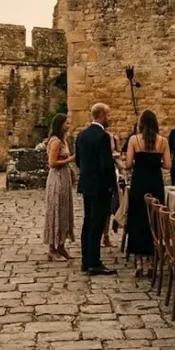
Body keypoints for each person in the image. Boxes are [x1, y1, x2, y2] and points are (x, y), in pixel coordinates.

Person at [124, 110, 171, 276]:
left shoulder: (134, 140)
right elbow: (167, 165)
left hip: (139, 184)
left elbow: (128, 164)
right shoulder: (162, 141)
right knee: (154, 220)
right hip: (155, 184)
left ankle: (138, 261)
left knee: (138, 220)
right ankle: (152, 261)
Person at [75, 103, 118, 275]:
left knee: (87, 222)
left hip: (87, 184)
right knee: (97, 224)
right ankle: (94, 262)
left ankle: (86, 260)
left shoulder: (82, 135)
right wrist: (111, 186)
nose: (110, 118)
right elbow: (106, 165)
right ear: (101, 116)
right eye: (108, 115)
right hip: (100, 187)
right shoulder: (103, 137)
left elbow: (78, 160)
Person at [42, 114, 76, 262]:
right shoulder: (55, 142)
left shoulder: (64, 140)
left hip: (65, 178)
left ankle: (61, 245)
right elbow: (52, 163)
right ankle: (52, 248)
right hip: (57, 178)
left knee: (64, 210)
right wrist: (71, 159)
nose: (68, 125)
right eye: (66, 123)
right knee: (55, 211)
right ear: (60, 125)